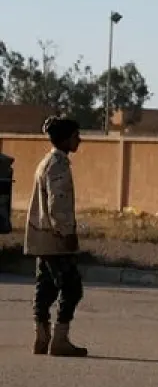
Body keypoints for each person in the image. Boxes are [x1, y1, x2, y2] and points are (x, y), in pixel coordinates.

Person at [25, 115, 88, 357]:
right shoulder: (58, 165)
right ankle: (60, 340)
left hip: (41, 236)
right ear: (65, 139)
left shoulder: (46, 162)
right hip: (55, 239)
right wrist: (67, 233)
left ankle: (41, 335)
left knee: (45, 288)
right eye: (75, 136)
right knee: (72, 288)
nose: (79, 140)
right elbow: (57, 203)